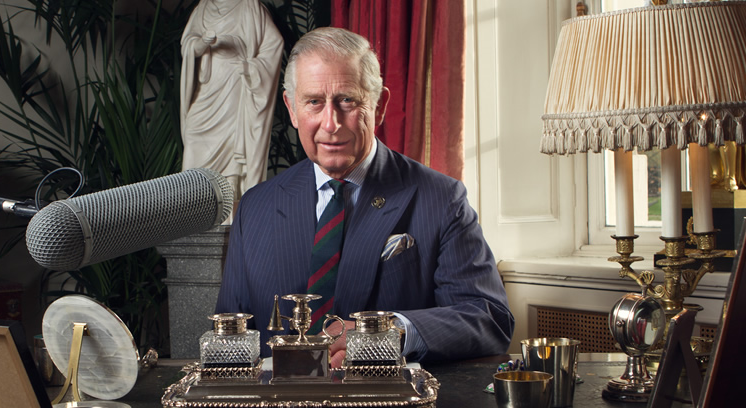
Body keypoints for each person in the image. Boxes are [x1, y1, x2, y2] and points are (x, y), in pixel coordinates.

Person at [216, 27, 514, 367]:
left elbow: (489, 318)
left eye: (347, 101)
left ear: (380, 105)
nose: (331, 123)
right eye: (314, 102)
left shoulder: (442, 198)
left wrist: (391, 332)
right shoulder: (255, 206)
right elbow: (231, 337)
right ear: (292, 109)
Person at [180, 0, 283, 203]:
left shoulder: (251, 7)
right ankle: (194, 211)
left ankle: (228, 216)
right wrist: (200, 44)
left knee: (233, 156)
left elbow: (274, 44)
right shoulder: (203, 9)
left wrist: (251, 67)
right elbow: (187, 45)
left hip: (236, 90)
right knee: (193, 140)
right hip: (207, 90)